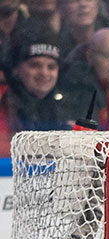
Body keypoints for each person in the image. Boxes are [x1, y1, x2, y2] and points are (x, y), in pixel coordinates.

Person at [0, 21, 69, 149]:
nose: (44, 73)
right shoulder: (3, 104)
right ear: (16, 69)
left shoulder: (66, 106)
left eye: (51, 67)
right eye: (35, 65)